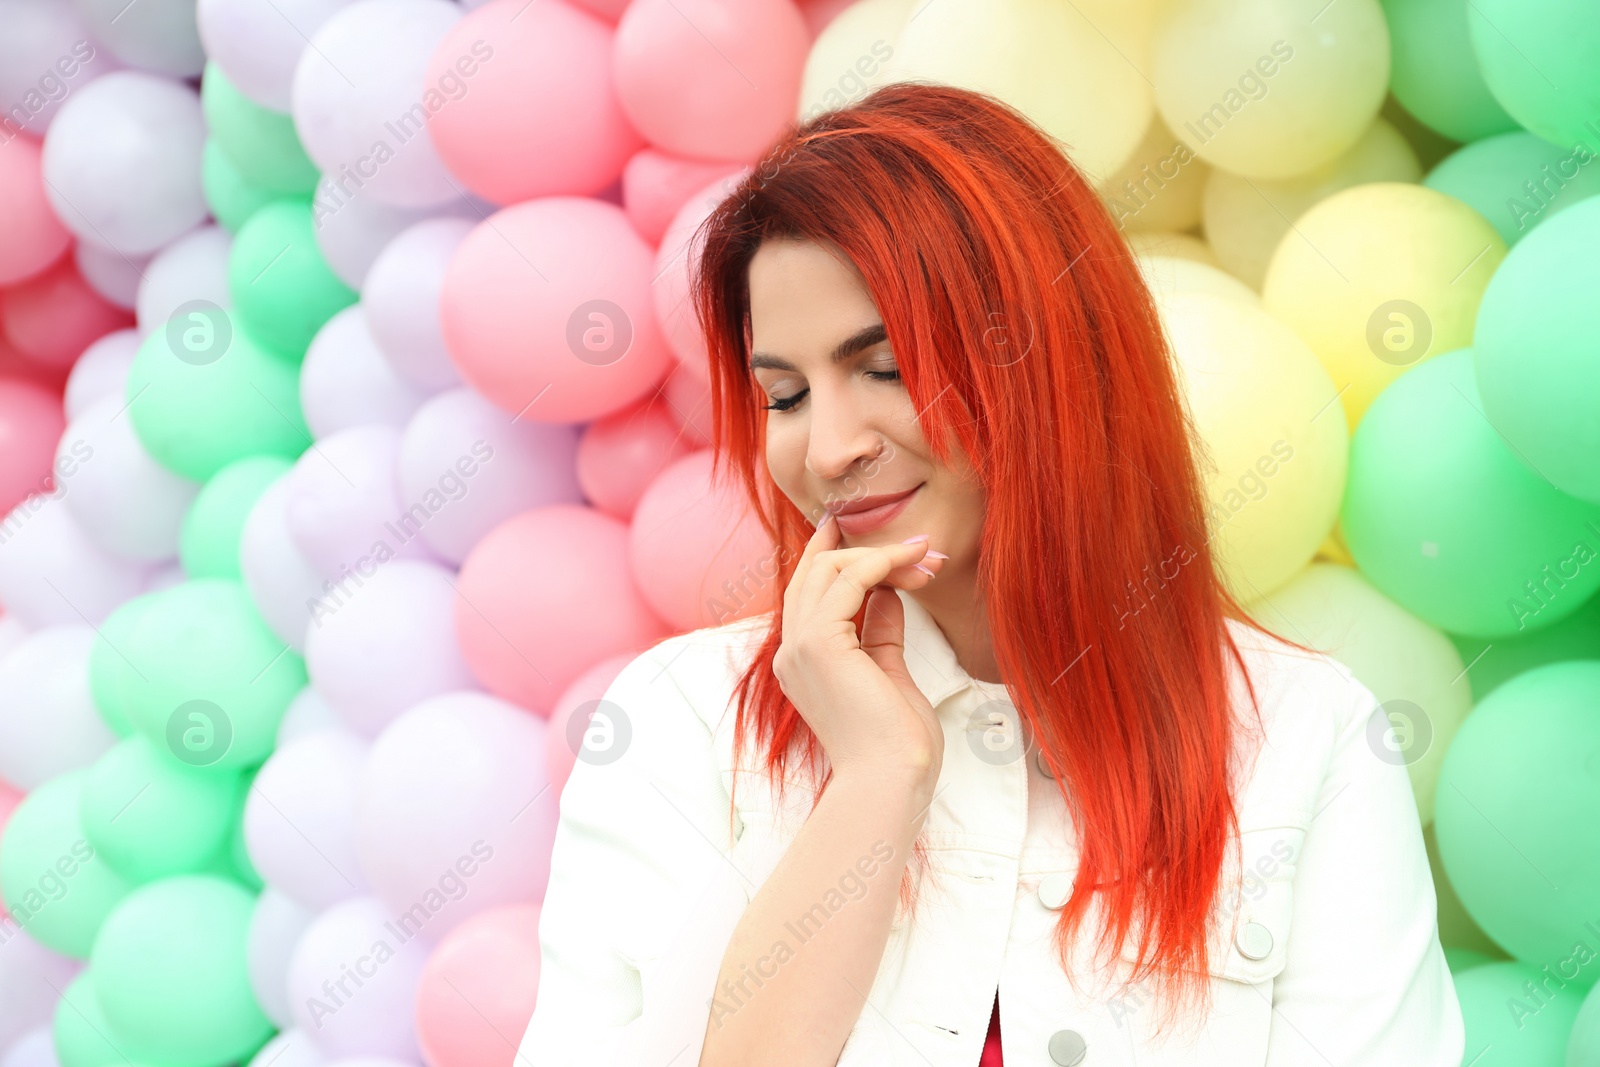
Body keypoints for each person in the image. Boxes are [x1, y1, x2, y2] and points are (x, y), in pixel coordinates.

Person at [516, 82, 1464, 1066]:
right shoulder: (679, 723)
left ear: (1045, 356)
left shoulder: (1307, 739)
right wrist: (876, 780)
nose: (829, 447)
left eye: (885, 368)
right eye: (786, 394)